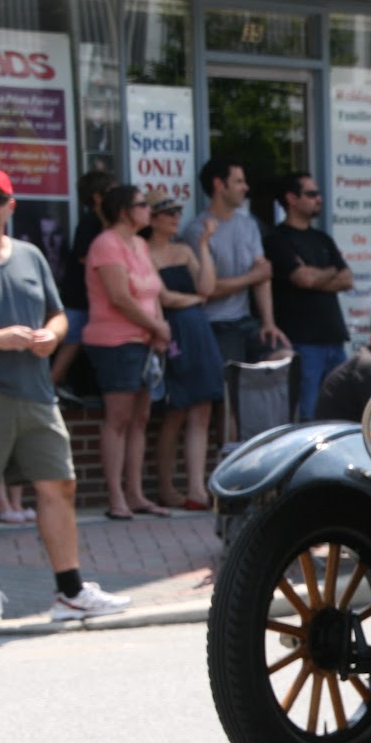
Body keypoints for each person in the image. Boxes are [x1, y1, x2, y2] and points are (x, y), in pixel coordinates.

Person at [0, 165, 130, 623]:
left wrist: (53, 335)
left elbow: (59, 314)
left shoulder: (30, 256)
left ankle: (70, 592)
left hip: (36, 392)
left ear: (11, 206)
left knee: (59, 484)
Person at [84, 184, 172, 521]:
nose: (149, 210)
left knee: (141, 418)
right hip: (115, 343)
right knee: (118, 418)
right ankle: (116, 497)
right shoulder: (106, 244)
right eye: (142, 205)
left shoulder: (140, 244)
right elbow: (120, 297)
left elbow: (154, 293)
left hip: (146, 342)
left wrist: (159, 328)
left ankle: (136, 494)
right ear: (124, 211)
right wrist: (156, 326)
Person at [144, 187, 222, 511]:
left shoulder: (184, 250)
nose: (176, 218)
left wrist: (203, 245)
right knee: (175, 410)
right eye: (168, 213)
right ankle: (166, 487)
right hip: (171, 330)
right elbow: (164, 298)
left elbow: (208, 288)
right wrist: (194, 300)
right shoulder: (144, 252)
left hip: (198, 330)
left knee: (202, 409)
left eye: (178, 212)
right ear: (152, 219)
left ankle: (196, 488)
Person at [182, 157, 290, 367]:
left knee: (285, 358)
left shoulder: (249, 225)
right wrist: (252, 277)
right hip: (216, 322)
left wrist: (269, 323)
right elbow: (209, 289)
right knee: (232, 378)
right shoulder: (198, 230)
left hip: (247, 320)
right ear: (219, 184)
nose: (246, 187)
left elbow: (263, 276)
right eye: (239, 181)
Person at [264, 172, 352, 419]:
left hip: (334, 339)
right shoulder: (277, 239)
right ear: (291, 198)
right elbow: (303, 279)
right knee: (307, 415)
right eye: (311, 194)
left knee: (341, 410)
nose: (319, 199)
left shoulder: (322, 238)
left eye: (318, 194)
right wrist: (329, 271)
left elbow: (347, 279)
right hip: (302, 341)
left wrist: (315, 276)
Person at [50, 168, 115, 397]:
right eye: (112, 191)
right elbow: (84, 256)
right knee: (72, 343)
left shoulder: (104, 222)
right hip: (78, 298)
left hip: (91, 300)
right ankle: (48, 390)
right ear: (98, 197)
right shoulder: (90, 221)